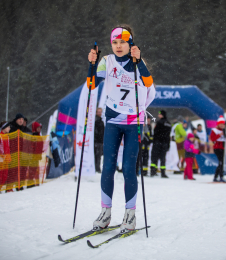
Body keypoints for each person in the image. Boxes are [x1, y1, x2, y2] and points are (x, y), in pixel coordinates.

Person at [88, 25, 155, 231]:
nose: (118, 46)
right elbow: (92, 85)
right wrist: (91, 64)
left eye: (123, 42)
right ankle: (105, 212)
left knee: (128, 168)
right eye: (115, 42)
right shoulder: (105, 61)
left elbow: (148, 82)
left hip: (133, 122)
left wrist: (139, 60)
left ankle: (130, 214)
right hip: (113, 120)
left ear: (130, 43)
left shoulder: (137, 62)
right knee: (107, 167)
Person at [150, 110, 171, 178]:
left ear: (162, 115)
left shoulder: (159, 122)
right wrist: (168, 145)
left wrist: (154, 141)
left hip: (157, 143)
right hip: (164, 143)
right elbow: (168, 135)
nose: (158, 115)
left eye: (159, 114)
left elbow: (155, 133)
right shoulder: (169, 123)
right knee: (163, 158)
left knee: (154, 157)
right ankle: (163, 172)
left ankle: (153, 171)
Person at [210, 116, 226, 182]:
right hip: (217, 148)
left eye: (223, 124)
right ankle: (218, 176)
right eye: (221, 124)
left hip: (223, 148)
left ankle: (218, 176)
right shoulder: (214, 130)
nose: (222, 125)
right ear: (218, 124)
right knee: (221, 162)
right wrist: (219, 134)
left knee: (221, 163)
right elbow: (212, 139)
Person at [0, 121, 11, 194]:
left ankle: (0, 188)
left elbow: (8, 148)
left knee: (5, 175)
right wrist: (3, 156)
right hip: (0, 159)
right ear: (4, 128)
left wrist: (8, 156)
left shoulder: (7, 136)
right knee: (0, 175)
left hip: (6, 159)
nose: (9, 128)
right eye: (8, 127)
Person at [94, 108, 104, 173]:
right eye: (98, 112)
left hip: (100, 141)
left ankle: (98, 168)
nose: (99, 113)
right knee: (96, 155)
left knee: (99, 156)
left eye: (100, 112)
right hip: (96, 141)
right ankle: (96, 168)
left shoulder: (101, 121)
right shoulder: (95, 121)